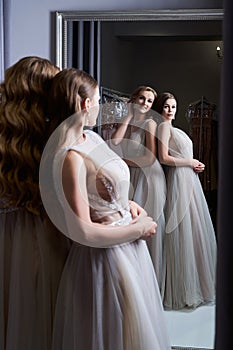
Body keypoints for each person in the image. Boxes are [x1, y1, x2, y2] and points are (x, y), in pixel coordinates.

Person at [39, 69, 171, 349]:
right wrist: (137, 229)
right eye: (99, 99)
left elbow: (108, 184)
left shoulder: (94, 139)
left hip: (129, 251)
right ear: (86, 104)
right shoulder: (69, 157)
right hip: (105, 260)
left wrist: (129, 204)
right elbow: (81, 231)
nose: (101, 106)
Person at [0, 56, 71, 350]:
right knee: (45, 310)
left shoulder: (6, 135)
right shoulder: (55, 137)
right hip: (46, 234)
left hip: (5, 235)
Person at [155, 92, 217, 310]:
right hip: (179, 178)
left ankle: (196, 283)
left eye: (173, 106)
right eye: (166, 106)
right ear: (160, 109)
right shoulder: (163, 127)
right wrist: (189, 162)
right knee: (183, 230)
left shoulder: (172, 128)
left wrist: (193, 165)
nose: (171, 110)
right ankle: (183, 288)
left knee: (192, 229)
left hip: (187, 178)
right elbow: (163, 158)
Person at [111, 86, 166, 289]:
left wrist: (124, 161)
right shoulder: (129, 121)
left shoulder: (150, 123)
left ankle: (151, 283)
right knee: (130, 222)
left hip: (148, 176)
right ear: (135, 99)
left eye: (150, 101)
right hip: (131, 174)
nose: (145, 104)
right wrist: (127, 116)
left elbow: (150, 157)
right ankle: (135, 280)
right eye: (142, 99)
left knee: (145, 225)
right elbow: (116, 141)